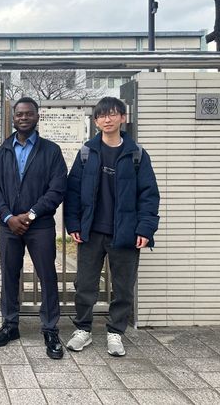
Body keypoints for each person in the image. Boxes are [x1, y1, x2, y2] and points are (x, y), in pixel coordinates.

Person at [64, 96, 160, 357]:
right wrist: (73, 224)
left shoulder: (136, 154)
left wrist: (145, 229)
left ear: (123, 118)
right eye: (102, 115)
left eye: (112, 114)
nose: (107, 119)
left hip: (126, 232)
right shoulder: (87, 152)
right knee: (85, 284)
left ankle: (115, 332)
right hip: (91, 232)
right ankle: (83, 329)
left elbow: (149, 195)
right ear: (96, 121)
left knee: (123, 286)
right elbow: (73, 192)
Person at [0, 97, 67, 359]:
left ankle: (50, 329)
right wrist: (8, 217)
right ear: (13, 118)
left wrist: (31, 215)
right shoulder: (3, 151)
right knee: (9, 275)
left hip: (40, 225)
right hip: (8, 226)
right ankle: (10, 325)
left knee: (47, 276)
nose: (23, 118)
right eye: (19, 114)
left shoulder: (51, 151)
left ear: (37, 117)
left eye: (28, 114)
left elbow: (57, 188)